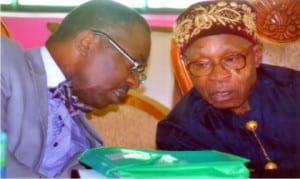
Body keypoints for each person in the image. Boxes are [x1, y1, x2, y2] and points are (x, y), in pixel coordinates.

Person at [1, 0, 151, 177]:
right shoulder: (6, 59)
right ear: (87, 43)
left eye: (140, 73)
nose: (135, 82)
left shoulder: (83, 133)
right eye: (134, 65)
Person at [156, 0, 300, 178]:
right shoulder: (179, 130)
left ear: (256, 56)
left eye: (231, 59)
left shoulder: (294, 90)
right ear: (187, 67)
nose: (218, 75)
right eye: (201, 64)